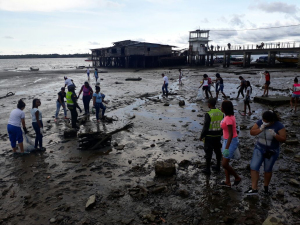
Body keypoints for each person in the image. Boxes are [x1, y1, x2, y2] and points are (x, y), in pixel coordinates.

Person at [246, 111, 286, 195]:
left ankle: (266, 187)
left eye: (266, 121)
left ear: (271, 121)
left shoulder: (279, 125)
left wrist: (275, 135)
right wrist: (260, 129)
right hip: (259, 148)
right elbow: (252, 132)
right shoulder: (260, 122)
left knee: (267, 169)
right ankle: (254, 188)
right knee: (253, 167)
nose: (264, 122)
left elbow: (283, 139)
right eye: (263, 120)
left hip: (272, 151)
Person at [219, 100, 241, 187]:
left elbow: (231, 134)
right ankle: (227, 181)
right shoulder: (228, 115)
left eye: (221, 107)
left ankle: (237, 177)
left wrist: (227, 148)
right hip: (226, 140)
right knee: (225, 162)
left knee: (224, 163)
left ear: (224, 108)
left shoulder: (228, 118)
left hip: (230, 141)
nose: (220, 108)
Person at [200, 98, 223, 174]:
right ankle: (218, 167)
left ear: (209, 104)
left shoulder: (208, 114)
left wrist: (202, 136)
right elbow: (223, 125)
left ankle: (208, 169)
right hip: (218, 136)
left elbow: (205, 127)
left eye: (208, 103)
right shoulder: (221, 113)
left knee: (208, 153)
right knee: (218, 152)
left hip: (209, 136)